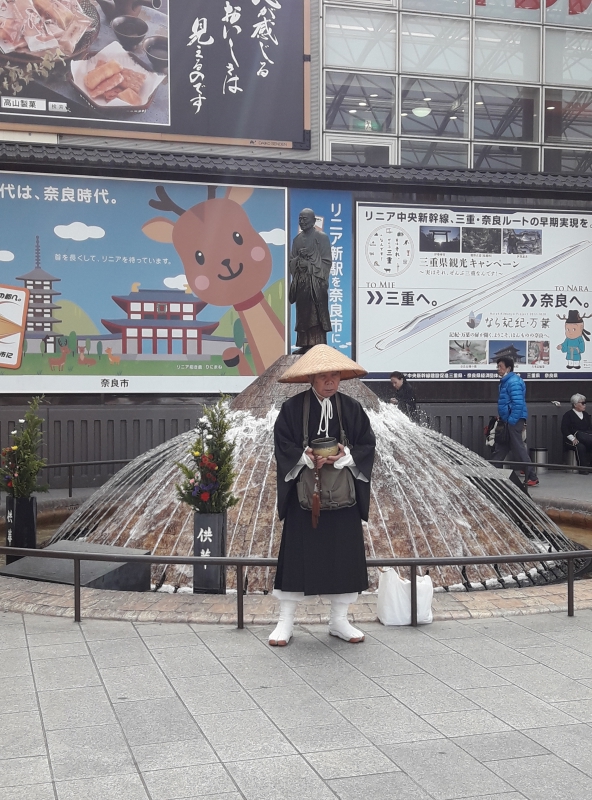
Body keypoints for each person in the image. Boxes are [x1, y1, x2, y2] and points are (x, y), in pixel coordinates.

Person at [270, 344, 376, 647]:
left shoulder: (352, 408)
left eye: (335, 376)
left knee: (344, 557)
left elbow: (367, 444)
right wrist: (304, 457)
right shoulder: (292, 409)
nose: (330, 382)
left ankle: (339, 619)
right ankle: (285, 621)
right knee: (296, 555)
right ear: (311, 378)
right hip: (304, 496)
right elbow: (282, 445)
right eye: (323, 376)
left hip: (342, 496)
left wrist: (346, 456)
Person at [289, 208, 332, 354]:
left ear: (313, 221)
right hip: (302, 283)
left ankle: (317, 342)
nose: (302, 222)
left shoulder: (322, 237)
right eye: (300, 219)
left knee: (316, 313)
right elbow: (291, 262)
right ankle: (304, 343)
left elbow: (326, 262)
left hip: (316, 283)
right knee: (302, 315)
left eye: (305, 219)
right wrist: (298, 261)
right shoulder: (297, 240)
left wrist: (310, 263)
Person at [492, 356, 538, 486]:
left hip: (513, 421)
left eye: (500, 366)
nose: (498, 369)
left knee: (517, 448)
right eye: (497, 366)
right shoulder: (507, 381)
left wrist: (511, 421)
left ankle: (532, 476)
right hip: (507, 420)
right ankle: (492, 474)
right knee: (501, 447)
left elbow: (518, 404)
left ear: (508, 368)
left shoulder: (513, 382)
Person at [561, 394, 592, 472]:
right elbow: (564, 429)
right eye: (582, 403)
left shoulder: (586, 415)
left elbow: (589, 428)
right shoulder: (568, 415)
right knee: (580, 447)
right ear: (575, 404)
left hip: (586, 438)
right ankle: (583, 468)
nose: (584, 405)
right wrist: (572, 438)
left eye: (585, 403)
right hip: (571, 439)